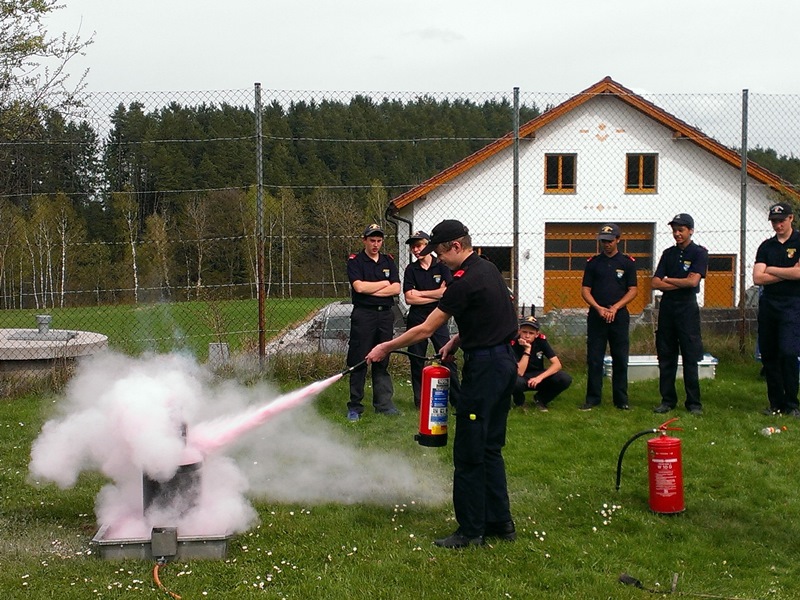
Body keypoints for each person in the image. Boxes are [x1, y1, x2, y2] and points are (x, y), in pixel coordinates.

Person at [365, 219, 518, 549]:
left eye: (441, 252)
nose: (439, 259)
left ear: (456, 246)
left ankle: (471, 531)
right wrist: (456, 341)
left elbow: (425, 329)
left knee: (469, 452)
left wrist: (386, 347)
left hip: (485, 370)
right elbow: (488, 315)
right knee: (490, 448)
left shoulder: (463, 281)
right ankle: (501, 523)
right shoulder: (488, 269)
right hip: (504, 362)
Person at [651, 214, 708, 416]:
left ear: (690, 230)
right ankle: (667, 400)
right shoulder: (668, 254)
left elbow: (693, 282)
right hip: (668, 308)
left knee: (690, 356)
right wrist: (680, 281)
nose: (677, 234)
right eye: (674, 230)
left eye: (681, 230)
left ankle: (693, 403)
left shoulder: (699, 253)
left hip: (687, 308)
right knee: (666, 356)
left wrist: (668, 280)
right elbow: (655, 282)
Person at [345, 224, 401, 421]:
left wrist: (373, 289)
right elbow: (359, 288)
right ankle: (355, 406)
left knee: (382, 360)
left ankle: (383, 405)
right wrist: (384, 284)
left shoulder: (388, 261)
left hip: (385, 316)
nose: (376, 244)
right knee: (359, 360)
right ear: (364, 240)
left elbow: (396, 289)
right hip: (364, 315)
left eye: (379, 241)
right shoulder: (356, 261)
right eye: (372, 240)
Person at [579, 223, 638, 411]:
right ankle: (592, 399)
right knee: (595, 358)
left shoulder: (627, 263)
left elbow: (633, 290)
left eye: (610, 241)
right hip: (597, 316)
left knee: (620, 358)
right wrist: (598, 308)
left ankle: (621, 400)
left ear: (618, 240)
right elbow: (585, 290)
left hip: (618, 317)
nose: (606, 244)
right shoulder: (593, 263)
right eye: (603, 241)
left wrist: (616, 308)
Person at [402, 230, 461, 409]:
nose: (416, 250)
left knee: (447, 356)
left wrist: (420, 293)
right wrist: (436, 294)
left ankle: (457, 400)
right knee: (416, 359)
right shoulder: (411, 269)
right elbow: (409, 299)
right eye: (413, 247)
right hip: (417, 317)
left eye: (419, 245)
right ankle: (420, 402)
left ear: (428, 245)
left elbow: (447, 292)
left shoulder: (442, 266)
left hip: (438, 316)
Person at [752, 202, 800, 417]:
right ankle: (776, 403)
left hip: (792, 303)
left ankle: (792, 403)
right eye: (774, 221)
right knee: (769, 354)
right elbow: (757, 277)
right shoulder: (766, 246)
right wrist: (787, 272)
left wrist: (771, 269)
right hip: (769, 304)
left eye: (781, 221)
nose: (778, 225)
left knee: (788, 352)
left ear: (791, 219)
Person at [511, 315, 572, 411]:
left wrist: (539, 378)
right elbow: (520, 372)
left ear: (536, 334)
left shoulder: (541, 341)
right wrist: (527, 349)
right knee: (512, 380)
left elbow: (557, 364)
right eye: (524, 332)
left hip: (538, 374)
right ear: (519, 331)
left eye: (531, 333)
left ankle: (541, 399)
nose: (527, 336)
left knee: (564, 378)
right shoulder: (513, 343)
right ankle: (519, 402)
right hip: (522, 377)